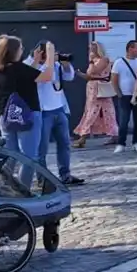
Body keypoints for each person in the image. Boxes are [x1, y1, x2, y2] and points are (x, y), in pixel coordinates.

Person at [0, 35, 52, 183]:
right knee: (29, 157)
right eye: (21, 48)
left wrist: (35, 61)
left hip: (6, 116)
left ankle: (4, 187)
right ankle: (23, 190)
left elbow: (24, 76)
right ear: (14, 51)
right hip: (27, 116)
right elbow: (46, 76)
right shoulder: (20, 69)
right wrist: (50, 56)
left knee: (11, 155)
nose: (22, 50)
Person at [32, 42, 84, 186]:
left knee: (64, 144)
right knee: (41, 148)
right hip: (42, 112)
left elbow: (69, 77)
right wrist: (48, 60)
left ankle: (65, 175)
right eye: (52, 52)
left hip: (59, 109)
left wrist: (66, 63)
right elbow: (41, 77)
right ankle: (42, 179)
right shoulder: (32, 63)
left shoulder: (56, 65)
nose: (56, 55)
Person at [72, 41, 118, 148]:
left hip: (100, 88)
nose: (91, 50)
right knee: (94, 111)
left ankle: (83, 137)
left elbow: (95, 71)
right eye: (90, 48)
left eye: (93, 48)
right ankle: (114, 135)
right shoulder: (95, 60)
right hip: (93, 88)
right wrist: (80, 74)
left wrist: (91, 62)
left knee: (95, 112)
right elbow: (89, 76)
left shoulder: (104, 60)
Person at [111, 41, 137, 153]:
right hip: (124, 95)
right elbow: (114, 79)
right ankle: (121, 143)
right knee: (124, 120)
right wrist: (119, 93)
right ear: (130, 49)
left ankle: (136, 142)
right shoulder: (119, 62)